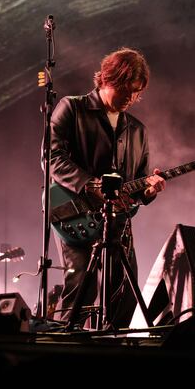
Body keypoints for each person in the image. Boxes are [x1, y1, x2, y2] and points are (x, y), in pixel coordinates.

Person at [49, 47, 165, 329]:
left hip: (117, 221)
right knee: (81, 288)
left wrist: (148, 191)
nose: (130, 98)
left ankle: (114, 348)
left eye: (136, 93)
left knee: (124, 293)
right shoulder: (72, 108)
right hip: (74, 212)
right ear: (107, 79)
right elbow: (51, 157)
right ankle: (67, 345)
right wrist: (90, 185)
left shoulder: (137, 130)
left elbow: (137, 182)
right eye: (126, 90)